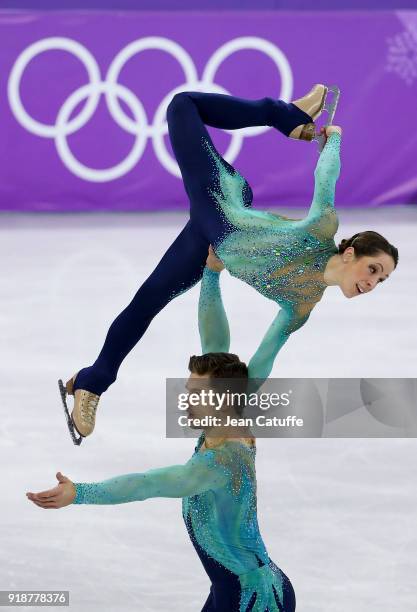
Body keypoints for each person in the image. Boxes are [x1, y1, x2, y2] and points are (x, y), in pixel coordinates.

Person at [60, 86, 398, 441]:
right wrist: (334, 140)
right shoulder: (321, 231)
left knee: (149, 299)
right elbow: (325, 180)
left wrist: (236, 404)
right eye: (373, 269)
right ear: (350, 253)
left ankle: (90, 383)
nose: (372, 282)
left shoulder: (302, 303)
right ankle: (280, 113)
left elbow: (261, 358)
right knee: (182, 104)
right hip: (221, 197)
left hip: (213, 239)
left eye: (382, 280)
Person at [30, 353, 297, 611]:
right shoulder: (223, 427)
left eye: (197, 395)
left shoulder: (217, 465)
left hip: (255, 600)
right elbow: (258, 350)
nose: (187, 401)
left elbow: (146, 484)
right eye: (188, 391)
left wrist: (79, 492)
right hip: (233, 591)